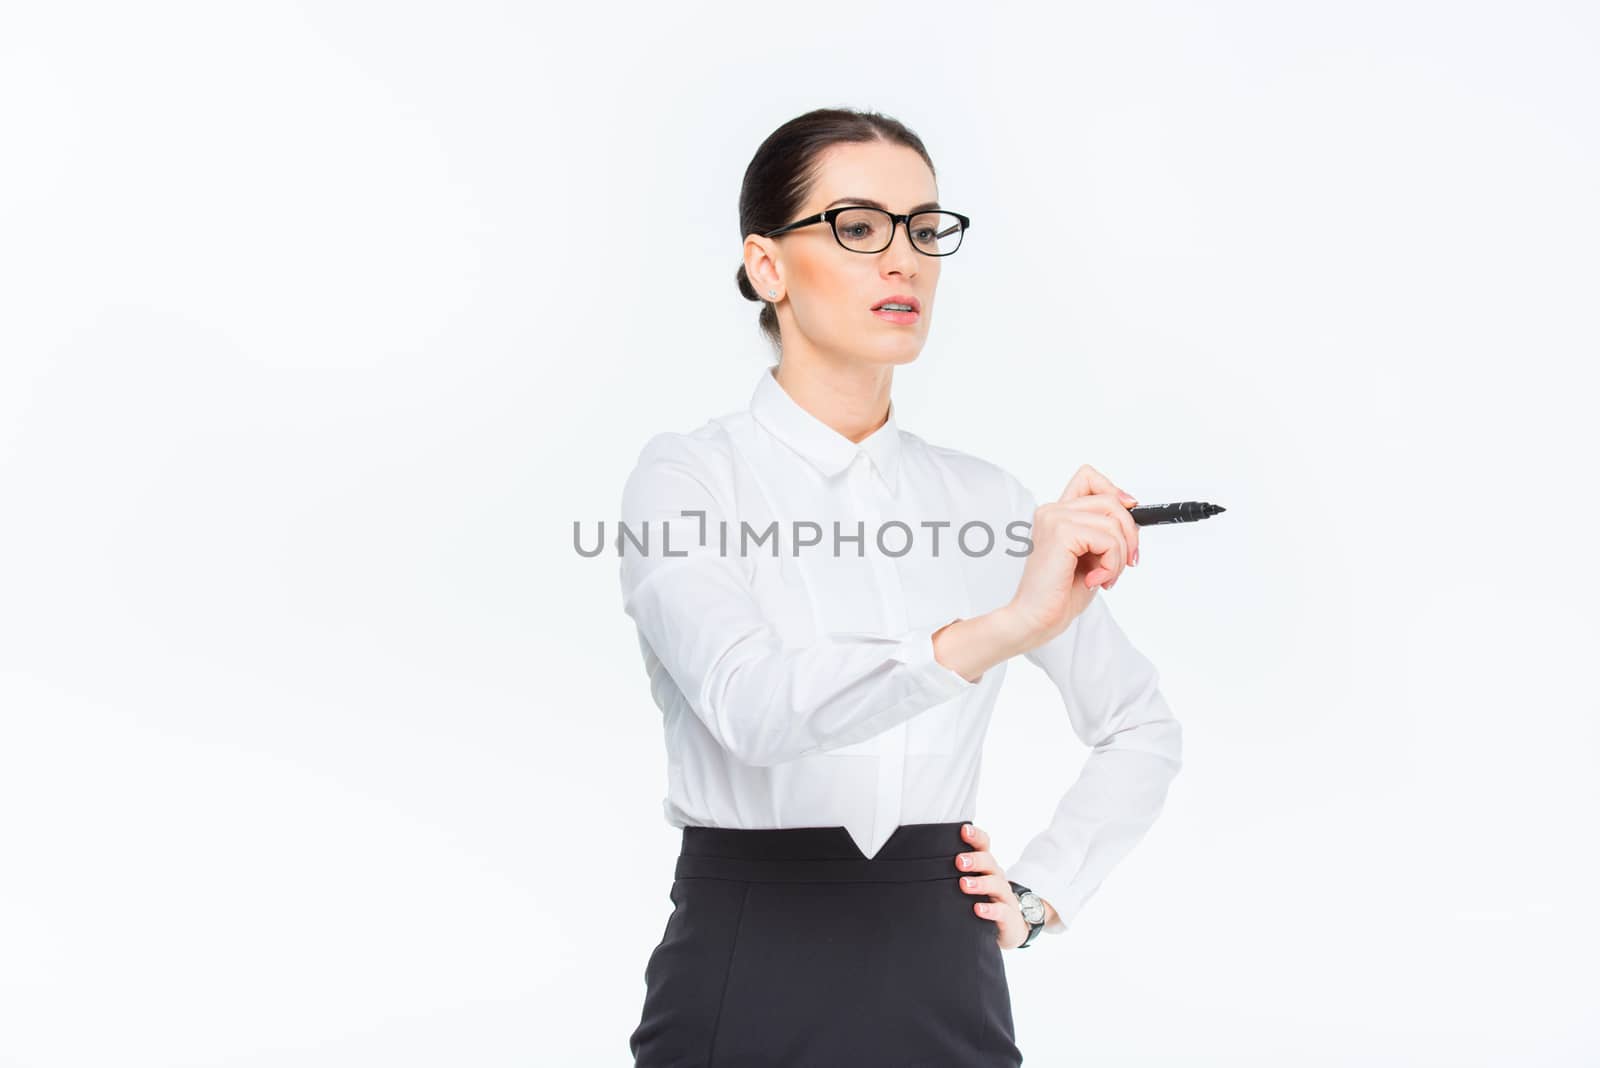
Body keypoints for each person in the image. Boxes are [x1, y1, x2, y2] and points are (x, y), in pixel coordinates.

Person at [619, 107, 1184, 1066]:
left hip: (942, 960)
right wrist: (999, 629)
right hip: (748, 950)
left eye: (924, 229)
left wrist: (1044, 897)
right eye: (857, 225)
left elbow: (1140, 726)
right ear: (767, 267)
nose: (904, 260)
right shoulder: (688, 479)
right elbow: (752, 708)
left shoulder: (991, 501)